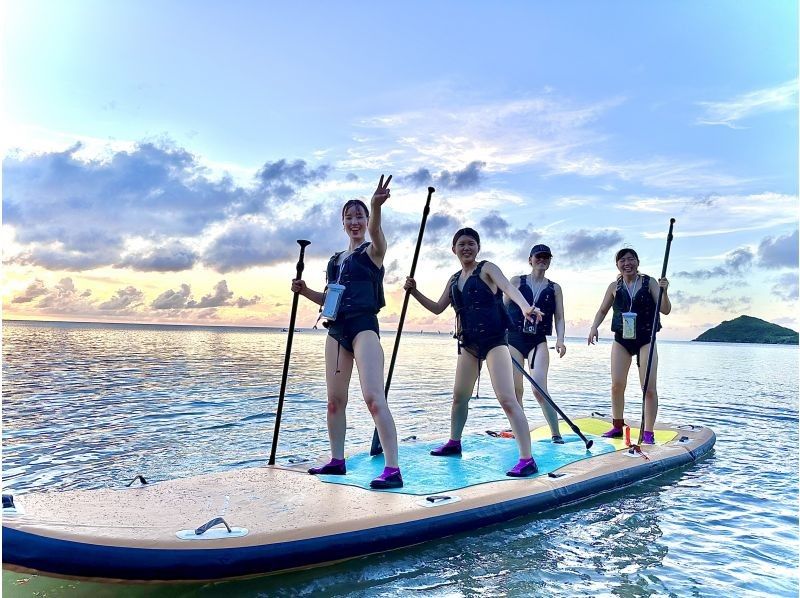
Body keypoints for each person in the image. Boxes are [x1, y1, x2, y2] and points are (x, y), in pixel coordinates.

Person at [291, 175, 403, 489]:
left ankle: (393, 469)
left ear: (366, 221)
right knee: (333, 401)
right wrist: (305, 291)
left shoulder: (372, 252)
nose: (355, 222)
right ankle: (337, 461)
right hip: (336, 330)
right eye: (349, 217)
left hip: (364, 328)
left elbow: (379, 235)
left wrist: (376, 207)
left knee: (373, 399)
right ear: (343, 223)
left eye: (360, 217)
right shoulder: (335, 261)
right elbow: (330, 299)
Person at [404, 227, 542, 477]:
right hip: (468, 344)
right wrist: (414, 292)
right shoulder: (454, 279)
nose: (466, 248)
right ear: (453, 249)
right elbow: (437, 308)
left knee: (507, 399)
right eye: (461, 244)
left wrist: (524, 307)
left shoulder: (488, 268)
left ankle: (527, 458)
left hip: (494, 342)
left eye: (471, 244)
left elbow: (509, 289)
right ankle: (454, 443)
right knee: (459, 397)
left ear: (478, 247)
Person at [587, 248, 671, 444]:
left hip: (646, 339)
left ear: (638, 262)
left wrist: (664, 291)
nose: (627, 263)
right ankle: (617, 425)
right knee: (617, 385)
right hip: (621, 340)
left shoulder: (649, 282)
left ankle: (648, 432)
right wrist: (593, 328)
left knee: (648, 387)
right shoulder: (614, 286)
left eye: (631, 259)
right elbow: (602, 310)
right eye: (623, 260)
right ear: (617, 265)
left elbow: (665, 309)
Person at [505, 244, 567, 443]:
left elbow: (559, 317)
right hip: (514, 339)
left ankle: (556, 433)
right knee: (516, 390)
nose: (542, 260)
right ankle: (520, 432)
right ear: (530, 259)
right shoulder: (517, 281)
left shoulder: (555, 288)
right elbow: (503, 307)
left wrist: (560, 340)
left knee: (539, 388)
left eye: (546, 257)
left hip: (538, 341)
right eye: (538, 256)